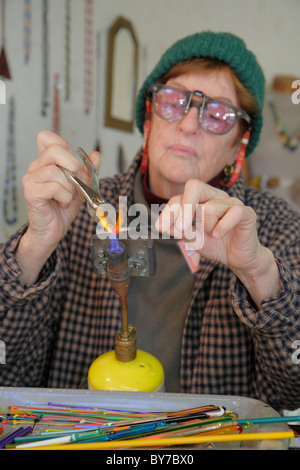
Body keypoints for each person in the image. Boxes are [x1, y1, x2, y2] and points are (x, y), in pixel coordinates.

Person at [1, 31, 300, 412]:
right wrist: (34, 247)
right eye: (173, 101)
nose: (189, 124)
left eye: (219, 114)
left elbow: (294, 390)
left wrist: (258, 272)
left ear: (239, 144)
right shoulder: (76, 210)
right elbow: (7, 373)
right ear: (148, 116)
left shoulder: (274, 229)